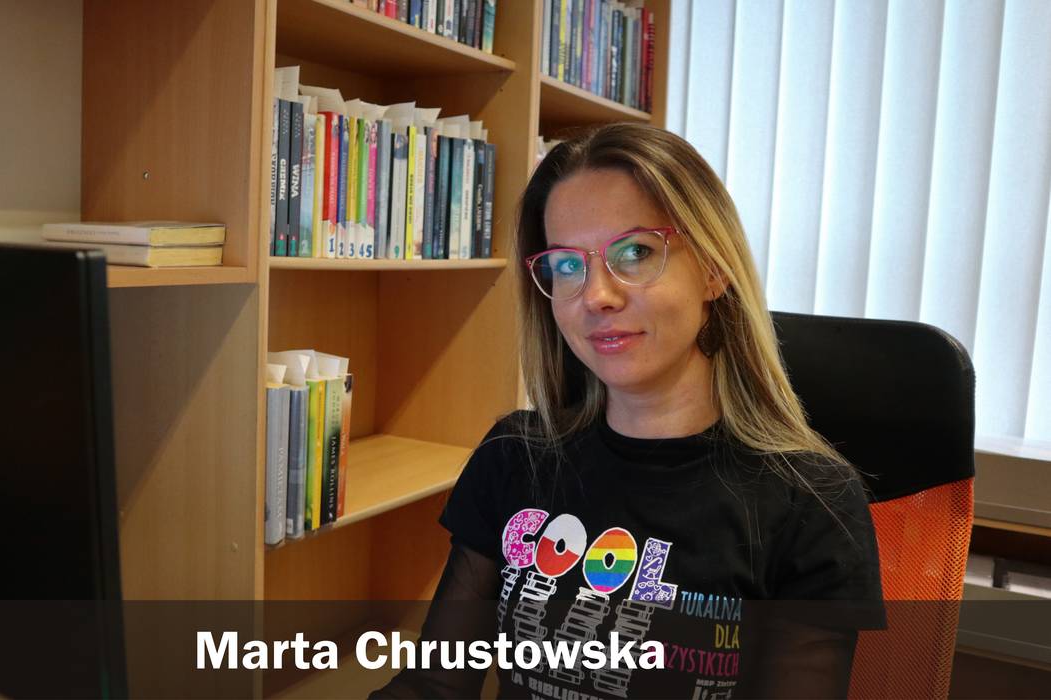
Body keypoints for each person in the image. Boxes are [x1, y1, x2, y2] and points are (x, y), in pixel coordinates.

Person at [372, 123, 884, 699]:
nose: (596, 296)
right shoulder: (515, 456)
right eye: (568, 265)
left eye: (635, 252)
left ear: (714, 268)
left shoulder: (810, 501)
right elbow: (435, 685)